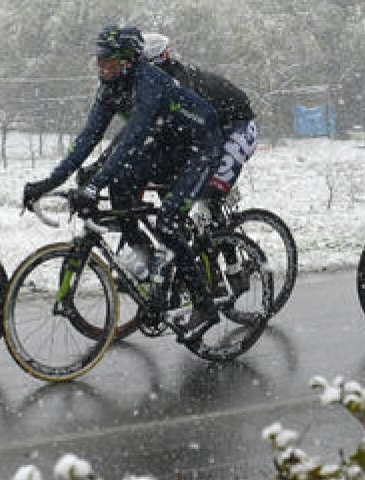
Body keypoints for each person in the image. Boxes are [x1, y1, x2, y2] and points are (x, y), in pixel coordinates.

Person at [22, 26, 223, 341]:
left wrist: (92, 187)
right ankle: (146, 252)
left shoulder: (149, 84)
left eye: (109, 63)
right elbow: (87, 140)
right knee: (120, 184)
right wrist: (46, 182)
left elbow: (131, 141)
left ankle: (204, 303)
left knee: (169, 220)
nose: (102, 68)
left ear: (129, 61)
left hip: (202, 145)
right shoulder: (110, 88)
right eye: (99, 62)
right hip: (170, 144)